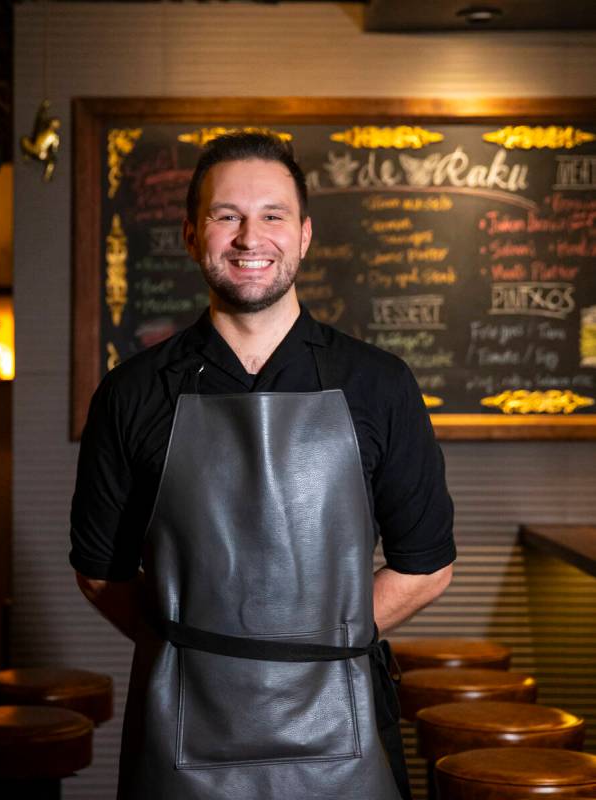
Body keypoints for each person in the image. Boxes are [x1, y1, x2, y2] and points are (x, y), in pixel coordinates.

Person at [70, 132, 455, 800]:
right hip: (183, 726)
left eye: (272, 215)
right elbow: (101, 571)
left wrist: (307, 644)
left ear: (303, 234)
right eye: (227, 216)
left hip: (341, 722)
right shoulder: (131, 391)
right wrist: (202, 652)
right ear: (193, 234)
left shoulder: (378, 383)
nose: (251, 238)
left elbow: (425, 565)